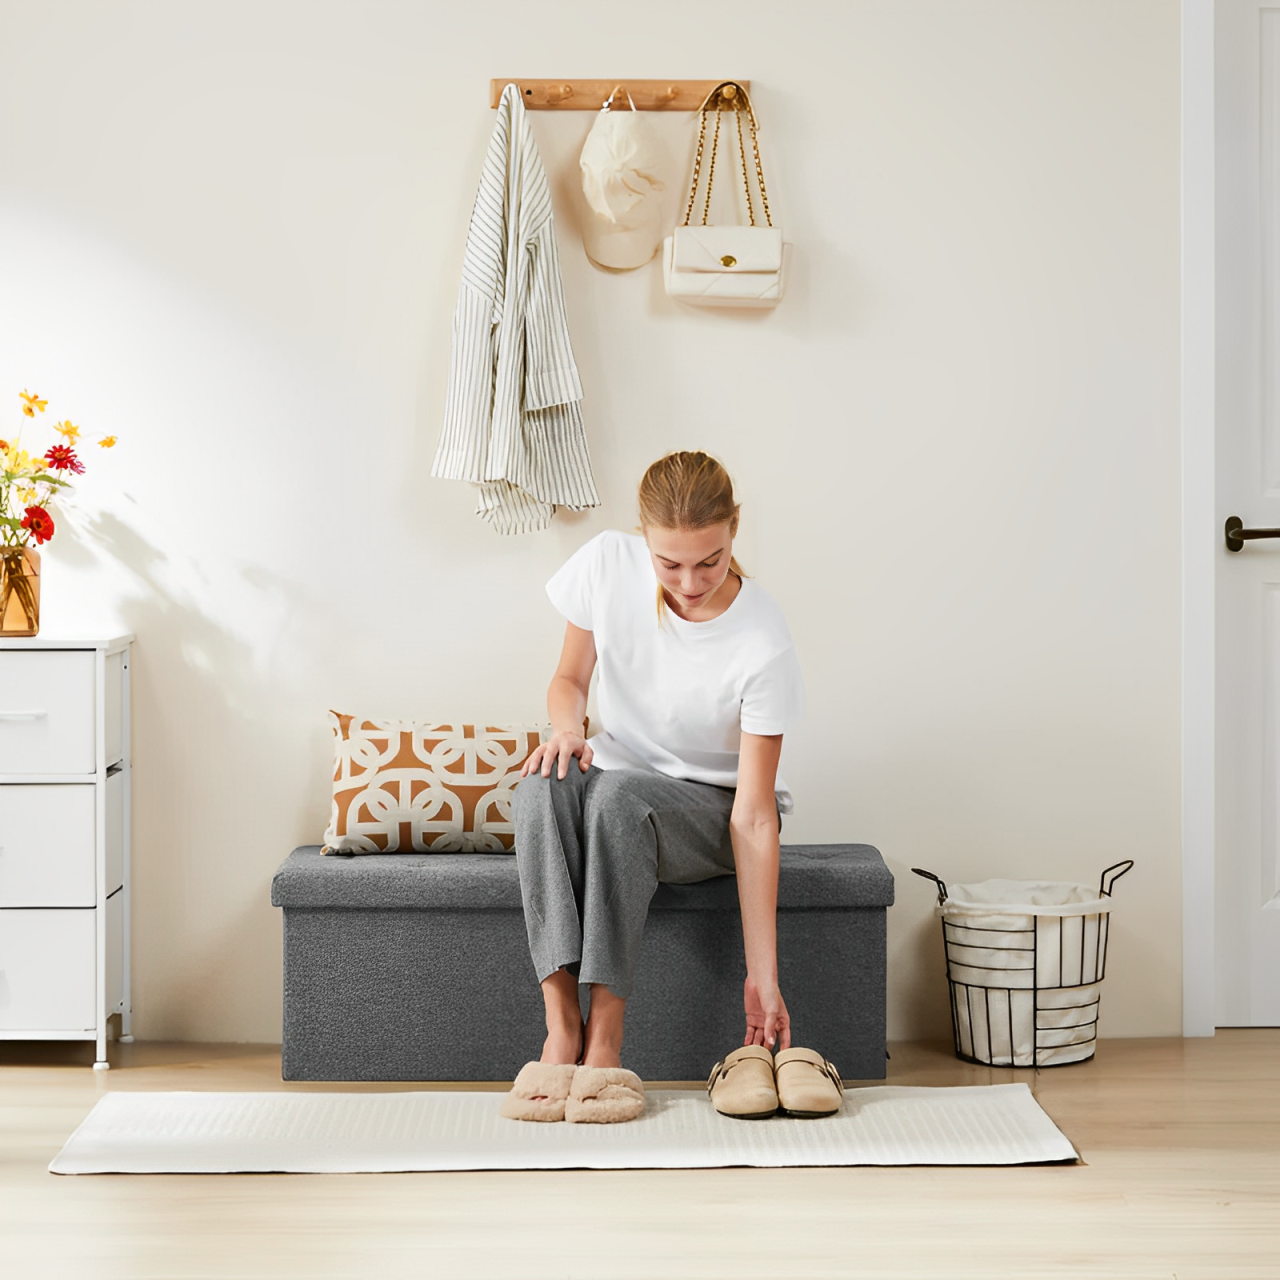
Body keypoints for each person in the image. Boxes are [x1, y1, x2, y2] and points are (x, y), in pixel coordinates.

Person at [512, 450, 805, 1071]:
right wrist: (567, 730)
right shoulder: (605, 563)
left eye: (711, 561)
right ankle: (561, 1028)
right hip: (622, 783)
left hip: (712, 813)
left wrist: (763, 978)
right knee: (540, 783)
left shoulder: (761, 638)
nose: (691, 583)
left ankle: (606, 1043)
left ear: (733, 534)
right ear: (643, 538)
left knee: (618, 799)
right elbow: (568, 678)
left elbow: (753, 817)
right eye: (669, 563)